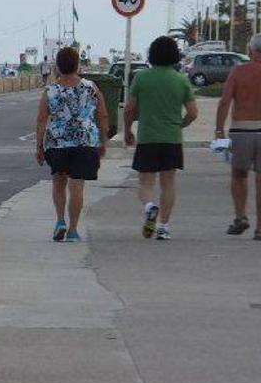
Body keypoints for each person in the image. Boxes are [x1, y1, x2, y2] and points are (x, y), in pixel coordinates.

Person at [124, 36, 199, 240]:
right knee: (168, 183)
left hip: (148, 137)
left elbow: (130, 109)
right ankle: (164, 227)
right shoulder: (181, 80)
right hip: (172, 139)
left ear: (152, 54)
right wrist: (180, 125)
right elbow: (193, 112)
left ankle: (149, 207)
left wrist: (127, 130)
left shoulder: (141, 78)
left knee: (146, 182)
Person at [35, 47, 109, 242]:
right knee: (77, 186)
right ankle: (73, 230)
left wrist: (39, 147)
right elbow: (102, 114)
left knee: (59, 181)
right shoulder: (90, 87)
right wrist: (103, 140)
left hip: (57, 143)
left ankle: (60, 221)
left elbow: (42, 120)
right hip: (85, 142)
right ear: (77, 65)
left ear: (57, 66)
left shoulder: (50, 90)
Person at [215, 33, 261, 240]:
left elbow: (225, 101)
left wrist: (218, 129)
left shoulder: (238, 72)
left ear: (251, 50)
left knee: (238, 174)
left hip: (241, 129)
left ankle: (241, 217)